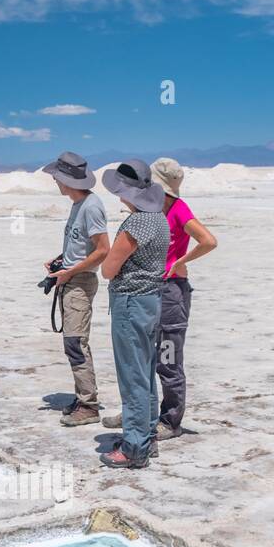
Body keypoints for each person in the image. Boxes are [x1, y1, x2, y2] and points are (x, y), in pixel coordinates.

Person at [103, 157, 217, 439]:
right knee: (144, 355)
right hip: (150, 292)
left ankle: (170, 419)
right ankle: (139, 413)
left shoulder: (178, 209)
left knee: (167, 358)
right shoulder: (151, 212)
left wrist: (179, 262)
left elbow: (208, 240)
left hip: (170, 292)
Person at [99, 160, 170, 469]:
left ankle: (134, 447)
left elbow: (108, 269)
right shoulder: (159, 218)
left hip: (131, 302)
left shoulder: (136, 223)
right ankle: (147, 436)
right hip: (152, 300)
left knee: (133, 376)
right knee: (145, 371)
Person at [40, 151, 110, 427]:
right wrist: (61, 258)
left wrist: (71, 270)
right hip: (71, 279)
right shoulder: (77, 204)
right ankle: (83, 398)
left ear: (65, 179)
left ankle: (89, 405)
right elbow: (83, 246)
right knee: (72, 342)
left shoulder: (91, 206)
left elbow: (104, 250)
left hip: (80, 282)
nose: (55, 182)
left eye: (56, 177)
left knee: (76, 342)